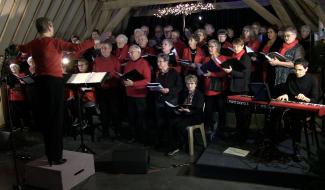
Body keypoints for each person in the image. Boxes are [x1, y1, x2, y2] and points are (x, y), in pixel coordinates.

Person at [18, 17, 97, 165]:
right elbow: (76, 48)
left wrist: (16, 47)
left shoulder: (34, 43)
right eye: (52, 26)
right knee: (56, 119)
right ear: (49, 26)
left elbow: (22, 48)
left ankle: (50, 155)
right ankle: (56, 156)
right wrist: (93, 42)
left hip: (40, 84)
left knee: (47, 119)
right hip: (54, 83)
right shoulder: (54, 42)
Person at [275, 59, 319, 160]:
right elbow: (286, 90)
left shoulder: (312, 79)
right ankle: (276, 140)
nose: (297, 72)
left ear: (306, 69)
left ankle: (296, 147)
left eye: (300, 70)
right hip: (292, 106)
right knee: (274, 112)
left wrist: (306, 98)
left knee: (296, 119)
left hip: (306, 108)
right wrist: (285, 94)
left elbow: (315, 99)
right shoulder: (291, 76)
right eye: (295, 70)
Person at [167, 75, 204, 156]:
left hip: (195, 116)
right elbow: (181, 104)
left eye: (191, 83)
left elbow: (199, 110)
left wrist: (189, 111)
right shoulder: (184, 93)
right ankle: (175, 146)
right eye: (187, 84)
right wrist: (179, 109)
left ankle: (187, 143)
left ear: (195, 84)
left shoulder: (199, 94)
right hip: (185, 114)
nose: (189, 85)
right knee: (171, 123)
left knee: (180, 125)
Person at [223, 38, 252, 141]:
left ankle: (242, 135)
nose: (235, 49)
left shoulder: (245, 58)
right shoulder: (234, 56)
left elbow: (245, 75)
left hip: (242, 88)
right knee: (237, 113)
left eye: (237, 47)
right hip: (234, 87)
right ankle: (238, 133)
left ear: (242, 46)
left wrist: (231, 71)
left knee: (242, 114)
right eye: (234, 46)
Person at [123, 45, 151, 144]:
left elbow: (148, 80)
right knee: (131, 117)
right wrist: (124, 82)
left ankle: (144, 139)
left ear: (139, 53)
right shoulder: (128, 63)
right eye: (129, 52)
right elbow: (125, 77)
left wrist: (133, 83)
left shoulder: (144, 63)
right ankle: (133, 136)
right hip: (130, 94)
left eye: (132, 52)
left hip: (140, 95)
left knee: (141, 118)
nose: (130, 54)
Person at [153, 53, 183, 148]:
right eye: (158, 61)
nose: (159, 63)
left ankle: (171, 145)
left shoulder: (173, 72)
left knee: (170, 123)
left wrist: (169, 90)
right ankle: (160, 143)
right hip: (160, 100)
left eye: (161, 61)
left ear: (166, 62)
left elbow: (180, 87)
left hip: (171, 101)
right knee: (159, 122)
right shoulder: (158, 73)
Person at [93, 40, 122, 138]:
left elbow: (119, 75)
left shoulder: (115, 60)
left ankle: (118, 130)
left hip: (112, 89)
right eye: (102, 48)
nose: (103, 50)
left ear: (110, 49)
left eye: (105, 48)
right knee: (103, 111)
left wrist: (111, 78)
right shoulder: (97, 59)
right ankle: (105, 131)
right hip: (101, 89)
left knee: (114, 111)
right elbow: (94, 73)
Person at [202, 40, 229, 139]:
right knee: (208, 110)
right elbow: (203, 70)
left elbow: (224, 73)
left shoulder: (222, 58)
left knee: (221, 110)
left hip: (219, 88)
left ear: (217, 47)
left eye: (212, 46)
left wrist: (212, 74)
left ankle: (221, 129)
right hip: (208, 88)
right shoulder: (206, 59)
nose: (210, 48)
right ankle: (207, 129)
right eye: (209, 46)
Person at [269, 26, 305, 97]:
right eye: (285, 36)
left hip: (290, 80)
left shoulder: (298, 48)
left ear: (294, 36)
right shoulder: (282, 47)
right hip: (278, 79)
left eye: (288, 36)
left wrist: (278, 63)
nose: (286, 38)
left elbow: (296, 64)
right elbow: (279, 61)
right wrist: (273, 61)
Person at [259, 25, 283, 97]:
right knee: (263, 86)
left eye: (271, 32)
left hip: (272, 68)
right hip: (263, 66)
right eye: (268, 32)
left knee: (271, 87)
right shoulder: (265, 41)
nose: (268, 34)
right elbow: (260, 52)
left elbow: (277, 54)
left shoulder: (279, 42)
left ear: (276, 33)